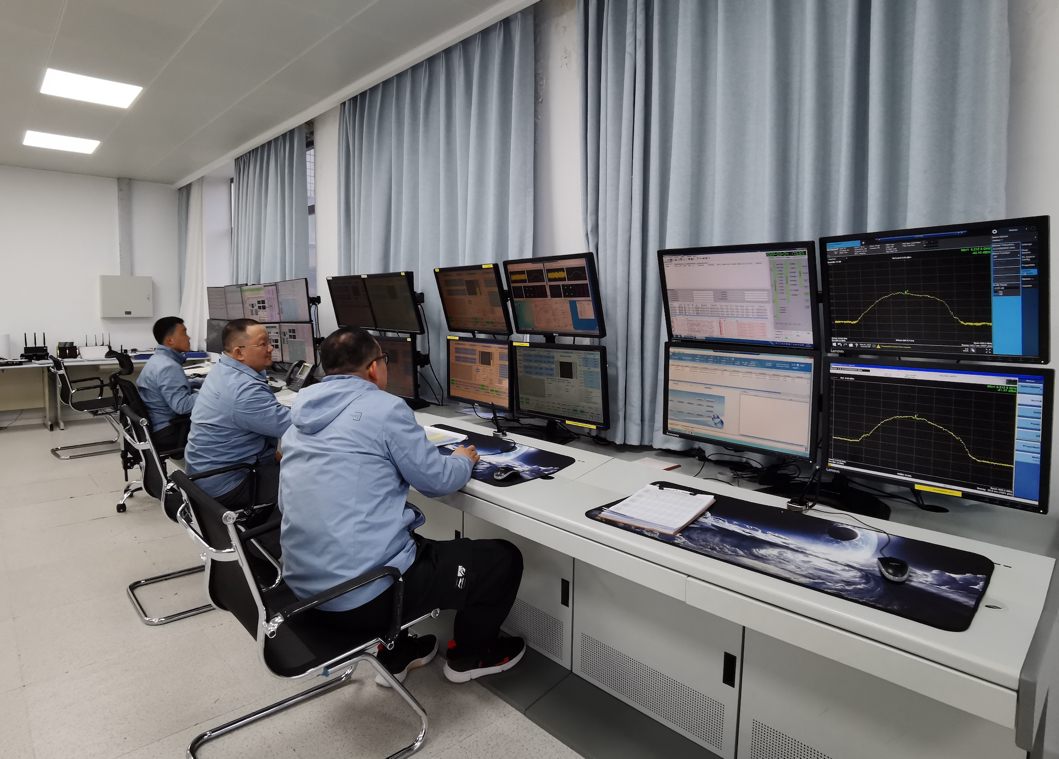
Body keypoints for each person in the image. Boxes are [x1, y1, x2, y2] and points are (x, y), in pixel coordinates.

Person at [279, 327, 525, 685]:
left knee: (401, 540)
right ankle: (469, 657)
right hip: (361, 599)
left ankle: (396, 653)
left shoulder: (300, 414)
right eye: (384, 359)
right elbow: (437, 481)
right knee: (503, 559)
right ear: (373, 368)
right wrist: (463, 459)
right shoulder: (385, 408)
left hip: (304, 592)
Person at [185, 319, 291, 509]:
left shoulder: (222, 369)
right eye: (263, 344)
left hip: (206, 474)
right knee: (310, 483)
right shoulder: (244, 390)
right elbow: (292, 426)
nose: (270, 348)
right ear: (239, 353)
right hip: (230, 484)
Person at [136, 316, 201, 453]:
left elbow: (168, 386)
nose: (189, 338)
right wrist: (212, 390)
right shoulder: (169, 367)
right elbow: (183, 406)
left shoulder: (157, 360)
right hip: (168, 430)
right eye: (184, 333)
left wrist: (198, 382)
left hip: (155, 425)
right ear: (170, 340)